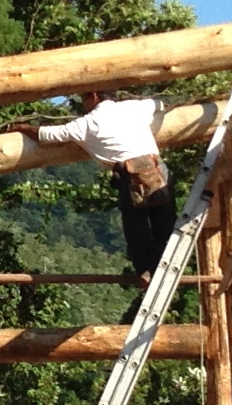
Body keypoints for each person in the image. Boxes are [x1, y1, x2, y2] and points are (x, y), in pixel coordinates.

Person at [31, 89, 175, 283]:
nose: (83, 104)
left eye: (84, 98)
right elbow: (158, 104)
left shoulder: (87, 123)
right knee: (165, 227)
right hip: (157, 169)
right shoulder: (136, 107)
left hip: (130, 175)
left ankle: (145, 271)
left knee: (136, 230)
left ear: (94, 95)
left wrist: (22, 127)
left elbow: (46, 134)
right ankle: (158, 268)